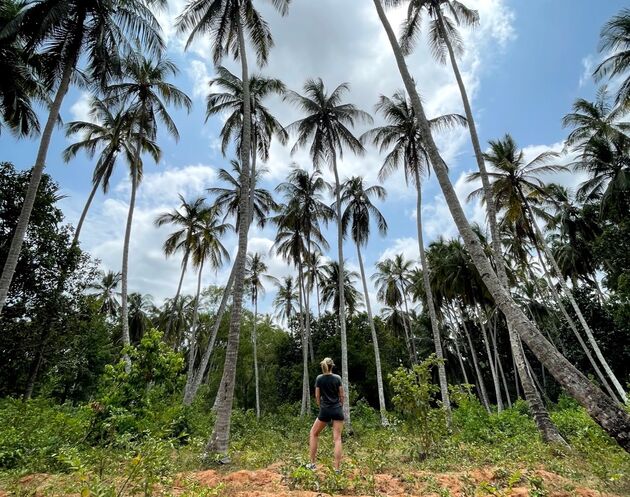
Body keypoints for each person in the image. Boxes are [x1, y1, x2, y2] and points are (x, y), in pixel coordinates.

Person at [307, 357, 344, 471]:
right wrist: (340, 405)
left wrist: (320, 406)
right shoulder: (337, 378)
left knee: (313, 433)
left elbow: (317, 396)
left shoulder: (319, 378)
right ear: (332, 366)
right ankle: (337, 469)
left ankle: (312, 464)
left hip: (325, 410)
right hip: (337, 409)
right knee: (337, 439)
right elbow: (341, 395)